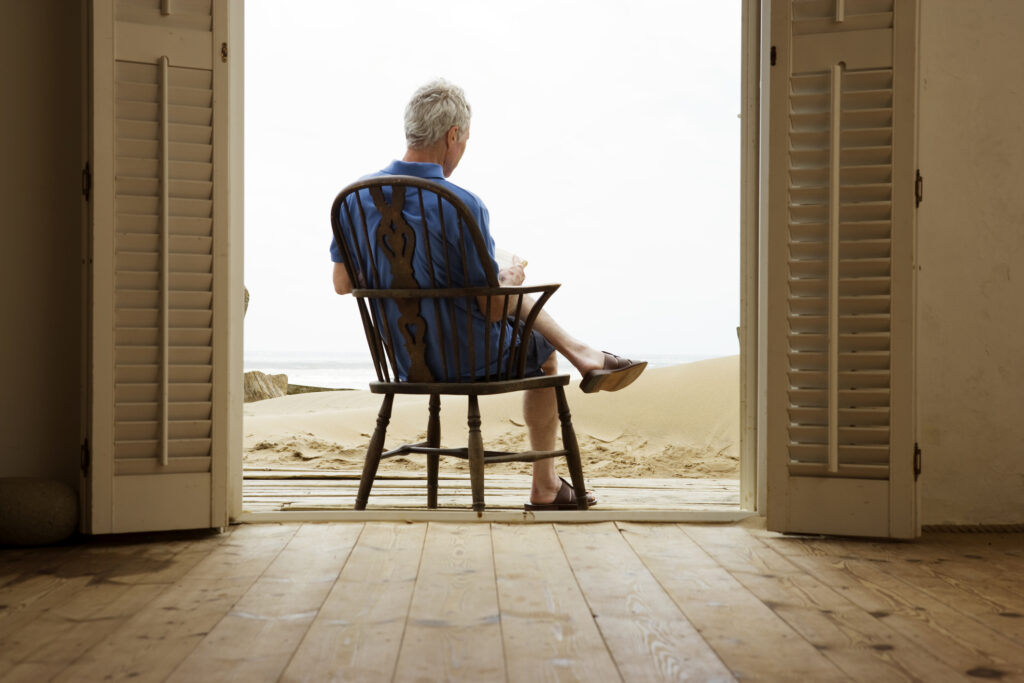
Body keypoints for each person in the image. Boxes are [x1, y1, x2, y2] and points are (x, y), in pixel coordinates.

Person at [330, 79, 646, 509]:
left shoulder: (352, 200)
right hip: (465, 358)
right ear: (452, 136)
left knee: (497, 280)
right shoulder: (461, 203)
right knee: (538, 348)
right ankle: (546, 485)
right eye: (465, 141)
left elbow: (342, 284)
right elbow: (494, 310)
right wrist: (509, 278)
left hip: (402, 360)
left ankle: (584, 353)